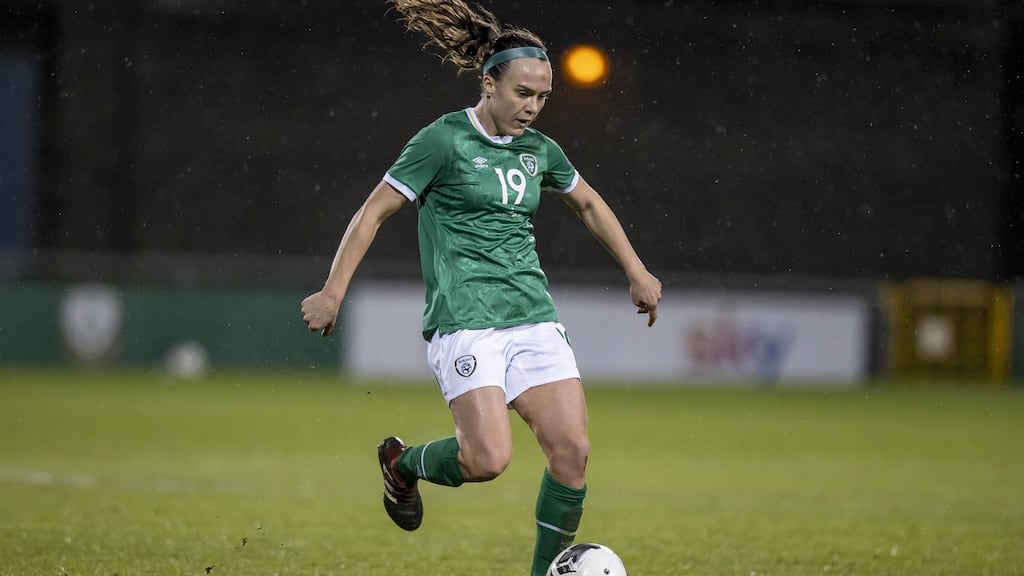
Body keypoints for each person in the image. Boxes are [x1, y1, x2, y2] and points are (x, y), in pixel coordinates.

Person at [300, 1, 662, 574]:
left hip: (532, 316)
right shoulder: (442, 141)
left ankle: (544, 573)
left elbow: (588, 203)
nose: (533, 108)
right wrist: (332, 292)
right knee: (488, 459)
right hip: (466, 321)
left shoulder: (538, 151)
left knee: (573, 453)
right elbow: (373, 213)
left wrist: (636, 269)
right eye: (522, 93)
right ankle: (402, 465)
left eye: (542, 98)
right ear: (488, 83)